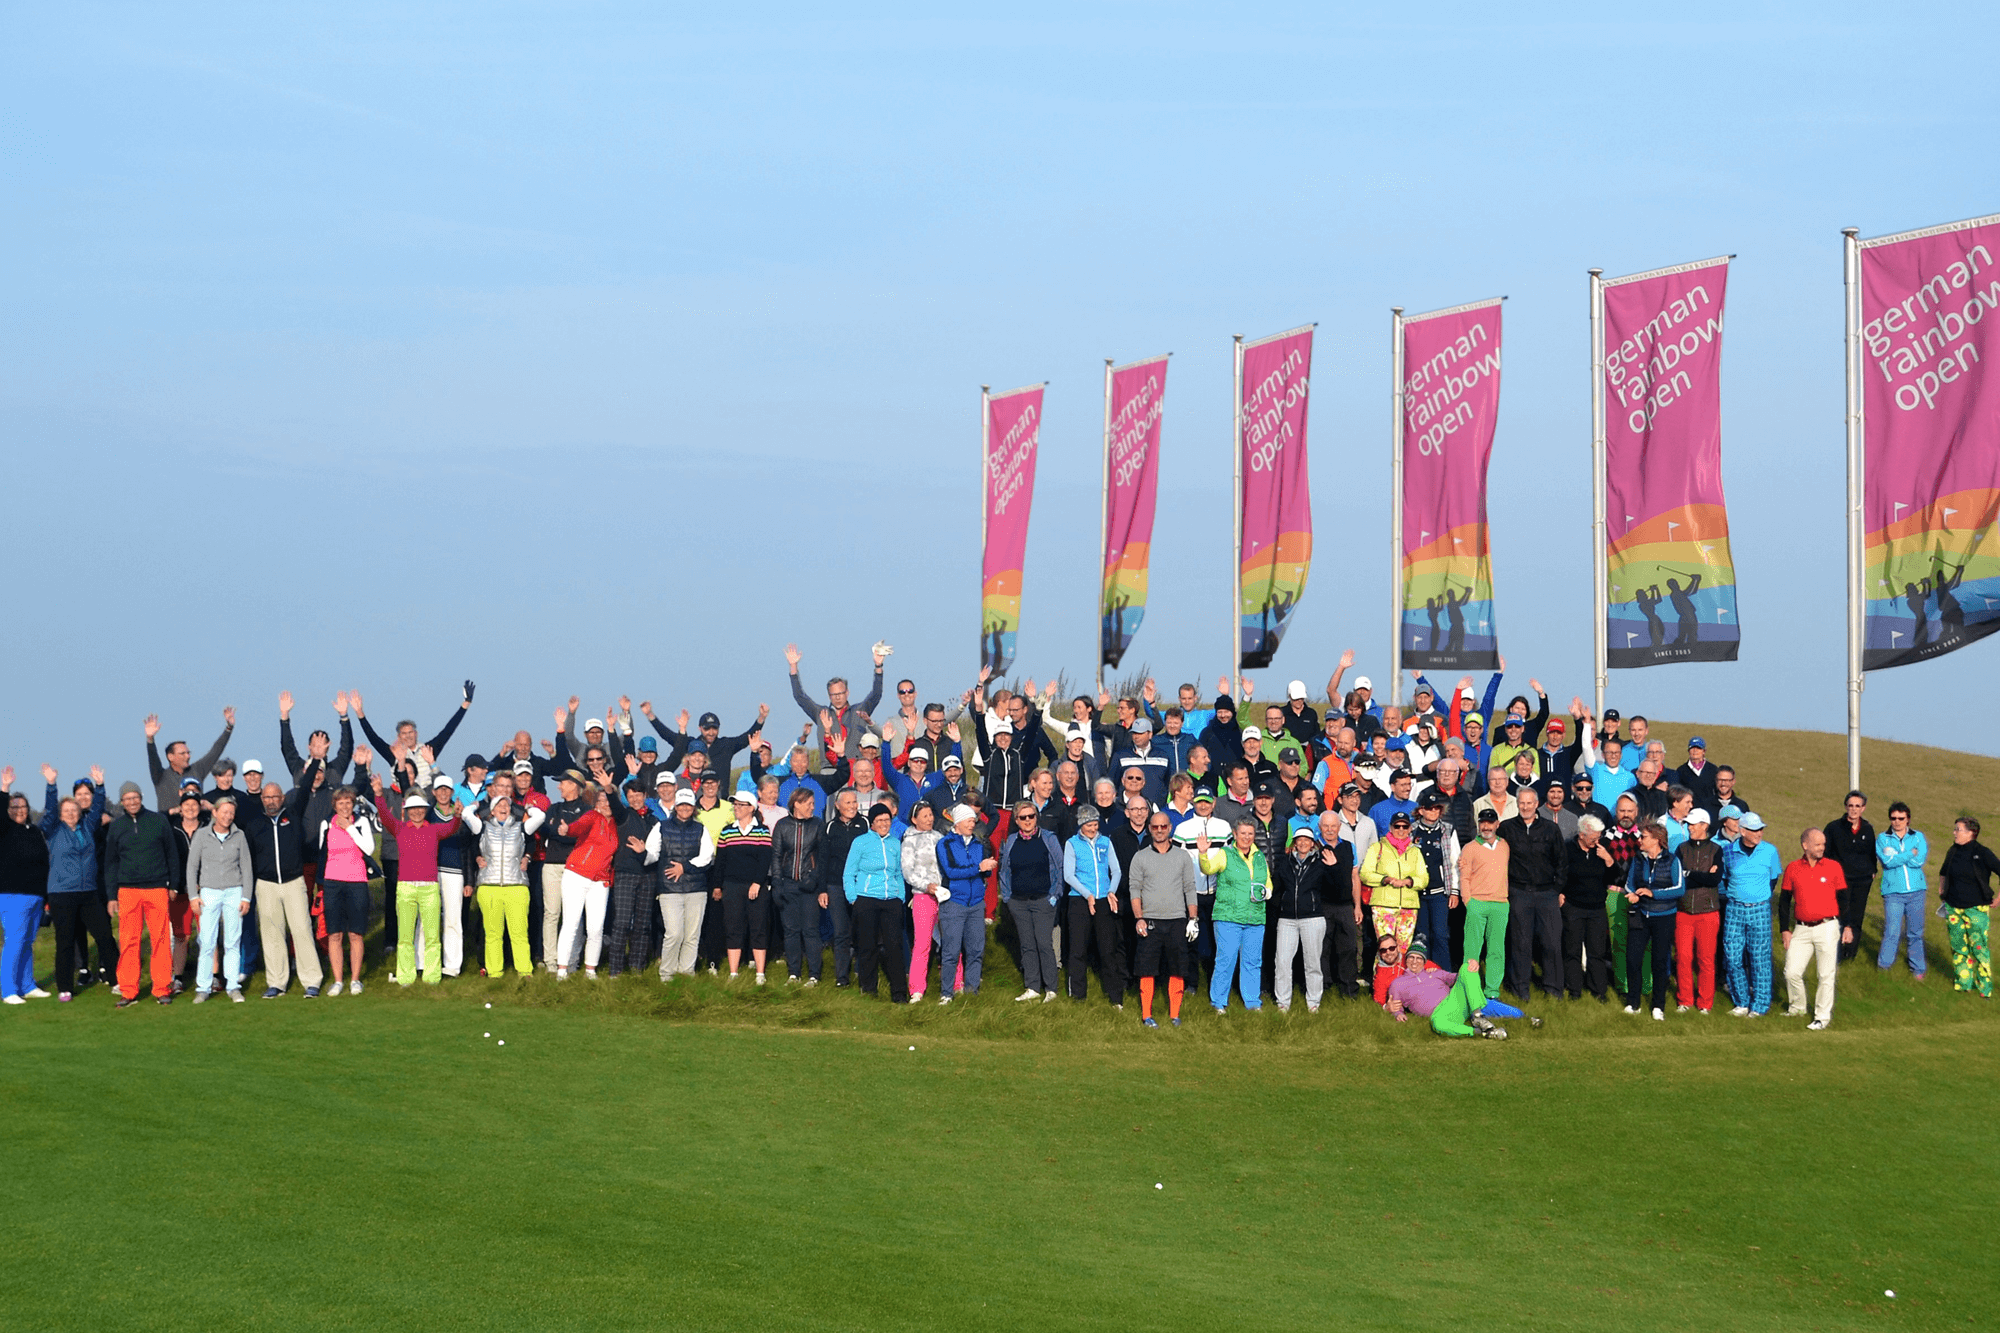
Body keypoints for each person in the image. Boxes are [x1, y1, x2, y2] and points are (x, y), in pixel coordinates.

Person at [38, 769, 118, 1002]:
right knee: (65, 941)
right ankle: (65, 987)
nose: (71, 813)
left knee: (104, 935)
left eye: (74, 810)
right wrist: (51, 785)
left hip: (89, 892)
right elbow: (50, 810)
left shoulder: (88, 826)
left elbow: (98, 805)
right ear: (61, 815)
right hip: (62, 893)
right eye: (67, 811)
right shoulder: (53, 830)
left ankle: (117, 979)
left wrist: (100, 785)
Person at [104, 780, 181, 1006]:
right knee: (129, 941)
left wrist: (174, 885)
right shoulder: (117, 826)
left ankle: (161, 988)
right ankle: (128, 991)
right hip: (128, 890)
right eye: (127, 799)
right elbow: (110, 863)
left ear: (141, 797)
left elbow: (172, 855)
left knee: (161, 940)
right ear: (121, 803)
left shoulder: (158, 821)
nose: (132, 802)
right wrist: (111, 896)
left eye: (135, 797)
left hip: (157, 888)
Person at [1127, 810, 1200, 1027]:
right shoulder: (1140, 857)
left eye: (1163, 827)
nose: (1159, 830)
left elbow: (1190, 888)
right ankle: (1146, 1015)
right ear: (1149, 829)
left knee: (1177, 968)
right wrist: (1138, 918)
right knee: (1146, 968)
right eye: (1155, 827)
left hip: (1177, 920)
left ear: (1170, 828)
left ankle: (1175, 1015)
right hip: (1149, 920)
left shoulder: (1182, 856)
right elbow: (1135, 890)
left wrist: (1193, 919)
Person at [181, 793, 255, 1002]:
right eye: (224, 812)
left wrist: (246, 897)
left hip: (234, 891)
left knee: (232, 941)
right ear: (214, 813)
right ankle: (203, 988)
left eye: (231, 813)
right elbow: (192, 867)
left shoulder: (239, 835)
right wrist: (193, 896)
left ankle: (233, 986)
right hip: (209, 892)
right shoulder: (202, 835)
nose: (228, 816)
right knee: (207, 941)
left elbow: (246, 868)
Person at [462, 789, 544, 977]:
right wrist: (476, 805)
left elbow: (541, 816)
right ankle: (494, 972)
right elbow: (466, 814)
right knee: (492, 934)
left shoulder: (521, 827)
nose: (504, 807)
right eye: (499, 805)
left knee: (519, 933)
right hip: (489, 886)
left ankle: (524, 970)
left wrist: (527, 808)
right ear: (492, 810)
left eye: (507, 804)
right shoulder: (481, 827)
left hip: (516, 886)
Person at [1498, 787, 1567, 1001]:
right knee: (1520, 943)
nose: (1525, 807)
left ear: (1536, 804)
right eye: (1522, 803)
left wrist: (1557, 889)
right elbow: (1494, 854)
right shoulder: (1507, 828)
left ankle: (1554, 989)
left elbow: (1562, 862)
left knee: (1551, 943)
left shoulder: (1550, 829)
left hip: (1547, 893)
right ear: (1517, 804)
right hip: (1519, 892)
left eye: (1529, 803)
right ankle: (1520, 990)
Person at [1379, 938, 1519, 1038]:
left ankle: (1479, 1016)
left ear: (1424, 961)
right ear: (1406, 960)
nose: (1415, 961)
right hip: (1441, 1013)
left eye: (1419, 958)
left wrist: (1472, 967)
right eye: (1411, 958)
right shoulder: (1398, 984)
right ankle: (1482, 1032)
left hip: (1455, 1000)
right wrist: (1398, 1014)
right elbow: (1395, 1006)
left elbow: (1457, 977)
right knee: (1438, 1024)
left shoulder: (1434, 972)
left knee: (1466, 967)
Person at [1781, 828, 1850, 1028]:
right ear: (1805, 845)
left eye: (1823, 844)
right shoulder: (1793, 868)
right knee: (1791, 972)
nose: (1822, 848)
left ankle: (1821, 1017)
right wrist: (1785, 929)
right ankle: (1798, 1007)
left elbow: (1844, 899)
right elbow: (1784, 901)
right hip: (1801, 929)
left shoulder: (1833, 867)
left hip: (1827, 926)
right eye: (1818, 844)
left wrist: (1847, 926)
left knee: (1825, 974)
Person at [843, 802, 908, 1001]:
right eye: (879, 820)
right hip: (866, 900)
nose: (883, 824)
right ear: (872, 823)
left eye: (887, 820)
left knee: (894, 947)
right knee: (867, 947)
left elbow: (898, 873)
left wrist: (901, 897)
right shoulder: (860, 842)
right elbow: (849, 873)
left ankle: (898, 993)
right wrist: (854, 899)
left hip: (891, 901)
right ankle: (869, 990)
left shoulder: (895, 843)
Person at [998, 801, 1063, 1002]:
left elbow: (1059, 868)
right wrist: (1008, 897)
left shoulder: (1049, 839)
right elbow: (1004, 871)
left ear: (1036, 817)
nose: (1027, 821)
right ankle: (1032, 987)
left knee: (1044, 943)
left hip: (1043, 900)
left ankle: (1051, 988)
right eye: (1022, 817)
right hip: (1018, 902)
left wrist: (1054, 895)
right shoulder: (1010, 841)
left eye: (1031, 816)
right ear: (1016, 820)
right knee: (1027, 945)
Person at [1720, 811, 1783, 1016]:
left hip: (1759, 909)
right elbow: (1726, 878)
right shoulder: (1728, 852)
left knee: (1760, 958)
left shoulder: (1769, 851)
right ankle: (1741, 1001)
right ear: (1742, 831)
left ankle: (1760, 1005)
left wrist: (1759, 896)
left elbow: (1773, 880)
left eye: (1761, 829)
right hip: (1735, 909)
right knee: (1732, 957)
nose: (1759, 833)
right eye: (1754, 830)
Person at [316, 785, 376, 996]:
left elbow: (368, 849)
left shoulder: (361, 822)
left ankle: (355, 980)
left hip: (357, 881)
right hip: (333, 883)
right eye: (340, 803)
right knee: (335, 934)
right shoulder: (326, 824)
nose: (344, 806)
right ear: (334, 805)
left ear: (353, 804)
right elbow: (323, 853)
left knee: (355, 933)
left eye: (348, 802)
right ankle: (338, 980)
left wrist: (350, 828)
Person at [1061, 806, 1125, 1006]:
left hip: (1103, 900)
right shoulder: (1072, 844)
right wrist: (1087, 894)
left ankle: (1116, 998)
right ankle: (1078, 997)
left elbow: (1116, 870)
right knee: (1078, 950)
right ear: (1081, 824)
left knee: (1108, 950)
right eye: (1089, 825)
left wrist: (1111, 891)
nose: (1093, 828)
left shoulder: (1106, 842)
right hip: (1079, 900)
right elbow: (1068, 875)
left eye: (1095, 824)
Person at [788, 641, 888, 767]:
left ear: (847, 693)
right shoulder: (821, 713)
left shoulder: (860, 711)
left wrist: (878, 666)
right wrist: (793, 667)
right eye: (834, 695)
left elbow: (876, 694)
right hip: (830, 768)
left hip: (855, 767)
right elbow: (800, 697)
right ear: (829, 696)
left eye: (841, 693)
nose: (838, 697)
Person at [1207, 818, 1271, 1013]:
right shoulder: (1225, 853)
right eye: (1243, 833)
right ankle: (1218, 1002)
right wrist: (1203, 853)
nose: (1246, 837)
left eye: (1250, 833)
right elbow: (1208, 868)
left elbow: (1267, 881)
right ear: (1235, 834)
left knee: (1252, 961)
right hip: (1228, 917)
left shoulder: (1259, 856)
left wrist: (1267, 891)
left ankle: (1252, 1002)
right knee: (1226, 960)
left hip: (1255, 918)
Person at [1621, 822, 1683, 1020]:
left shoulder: (1672, 860)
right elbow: (1629, 885)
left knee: (1659, 961)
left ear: (1656, 839)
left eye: (1644, 837)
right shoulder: (1637, 859)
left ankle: (1658, 1006)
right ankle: (1633, 1003)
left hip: (1664, 917)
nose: (1640, 840)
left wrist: (1651, 893)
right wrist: (1634, 896)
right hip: (1640, 915)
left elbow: (1679, 889)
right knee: (1632, 959)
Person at [712, 790, 774, 983]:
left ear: (751, 808)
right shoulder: (727, 831)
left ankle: (760, 973)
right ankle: (733, 973)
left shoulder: (762, 830)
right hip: (731, 886)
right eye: (735, 805)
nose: (736, 808)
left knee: (758, 928)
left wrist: (757, 883)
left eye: (741, 805)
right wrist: (717, 886)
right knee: (733, 928)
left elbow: (764, 861)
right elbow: (720, 862)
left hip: (756, 887)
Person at [935, 805, 994, 1003]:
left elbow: (983, 872)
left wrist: (988, 868)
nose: (973, 824)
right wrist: (979, 868)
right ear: (958, 823)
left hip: (976, 902)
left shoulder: (978, 844)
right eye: (969, 820)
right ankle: (946, 993)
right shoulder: (944, 844)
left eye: (973, 820)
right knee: (951, 951)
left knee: (976, 950)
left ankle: (972, 992)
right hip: (954, 902)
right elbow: (951, 872)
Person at [656, 789, 716, 980]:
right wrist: (642, 852)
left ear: (693, 808)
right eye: (681, 805)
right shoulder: (661, 826)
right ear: (675, 807)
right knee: (673, 934)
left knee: (692, 934)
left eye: (688, 805)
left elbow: (707, 856)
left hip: (696, 888)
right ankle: (667, 973)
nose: (684, 808)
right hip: (669, 888)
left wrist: (685, 867)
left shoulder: (701, 829)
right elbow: (652, 853)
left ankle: (686, 971)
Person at [1271, 817, 1329, 1012]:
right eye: (1299, 839)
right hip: (1287, 918)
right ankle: (1283, 1003)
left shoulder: (1320, 863)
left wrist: (1334, 867)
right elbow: (1277, 889)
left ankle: (1313, 1003)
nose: (1303, 843)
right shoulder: (1284, 862)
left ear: (1313, 843)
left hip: (1312, 918)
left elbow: (1335, 887)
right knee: (1282, 962)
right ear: (1294, 842)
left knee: (1312, 963)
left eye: (1307, 840)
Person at [1937, 817, 1999, 999]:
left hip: (1976, 909)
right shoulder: (1953, 850)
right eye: (1955, 829)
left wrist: (1999, 898)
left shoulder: (1982, 852)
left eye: (1958, 829)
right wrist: (1942, 889)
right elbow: (1943, 872)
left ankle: (1985, 987)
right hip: (1954, 908)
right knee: (1958, 947)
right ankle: (1963, 983)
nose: (1954, 832)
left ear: (1971, 833)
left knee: (1979, 948)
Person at [0, 783, 51, 1003]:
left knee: (27, 941)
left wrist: (50, 786)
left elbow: (44, 864)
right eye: (14, 806)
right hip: (12, 895)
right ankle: (9, 990)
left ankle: (27, 985)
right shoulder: (5, 829)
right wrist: (4, 789)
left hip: (36, 896)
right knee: (14, 941)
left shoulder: (36, 831)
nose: (19, 810)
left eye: (23, 806)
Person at [769, 787, 824, 985]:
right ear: (797, 804)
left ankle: (814, 975)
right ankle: (794, 973)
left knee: (810, 931)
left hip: (809, 886)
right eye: (809, 803)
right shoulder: (782, 825)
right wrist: (776, 883)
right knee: (791, 931)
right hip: (788, 884)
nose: (813, 807)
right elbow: (775, 856)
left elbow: (821, 856)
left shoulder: (817, 824)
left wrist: (815, 878)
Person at [1360, 810, 1427, 965]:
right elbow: (1365, 873)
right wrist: (1386, 879)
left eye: (1405, 826)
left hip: (1408, 906)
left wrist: (1409, 882)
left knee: (1403, 949)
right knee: (1385, 949)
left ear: (1410, 828)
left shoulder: (1415, 851)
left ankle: (1400, 986)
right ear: (1391, 828)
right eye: (1397, 826)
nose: (1401, 830)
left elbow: (1424, 878)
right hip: (1383, 905)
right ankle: (1381, 985)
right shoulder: (1377, 848)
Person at [1674, 810, 1724, 1013]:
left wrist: (1691, 874)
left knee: (1706, 959)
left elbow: (1714, 880)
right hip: (1684, 911)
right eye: (1688, 824)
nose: (1690, 827)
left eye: (1694, 824)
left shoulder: (1716, 849)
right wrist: (1700, 875)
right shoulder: (1681, 848)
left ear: (1705, 825)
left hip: (1708, 911)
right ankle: (1685, 1000)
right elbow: (1678, 878)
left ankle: (1705, 1003)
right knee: (1683, 958)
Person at [1874, 802, 1930, 980]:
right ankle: (1884, 966)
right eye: (1893, 818)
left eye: (1901, 818)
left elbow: (1918, 862)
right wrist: (1909, 853)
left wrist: (1901, 856)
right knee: (1892, 930)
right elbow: (1888, 862)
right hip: (1893, 893)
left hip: (1917, 891)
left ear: (1908, 819)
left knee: (1915, 932)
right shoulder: (1883, 838)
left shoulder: (1918, 836)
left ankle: (1918, 968)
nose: (1897, 822)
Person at [1562, 814, 1614, 1003]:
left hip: (1597, 909)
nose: (1597, 840)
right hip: (1574, 907)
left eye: (1599, 837)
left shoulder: (1602, 850)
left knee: (1597, 951)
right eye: (1594, 837)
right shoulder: (1568, 849)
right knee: (1572, 950)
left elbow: (1615, 877)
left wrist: (1608, 860)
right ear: (1582, 834)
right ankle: (1574, 989)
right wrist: (1561, 893)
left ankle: (1599, 990)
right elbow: (1560, 873)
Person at [144, 708, 236, 812]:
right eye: (182, 753)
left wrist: (229, 728)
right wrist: (150, 739)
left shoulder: (197, 770)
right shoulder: (160, 776)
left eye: (188, 753)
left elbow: (215, 752)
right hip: (169, 825)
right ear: (170, 757)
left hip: (196, 825)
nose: (187, 756)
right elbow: (153, 759)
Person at [900, 800, 946, 1003]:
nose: (930, 819)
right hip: (922, 896)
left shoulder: (939, 838)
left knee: (950, 941)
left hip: (944, 896)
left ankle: (956, 983)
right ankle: (917, 989)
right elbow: (907, 871)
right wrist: (925, 886)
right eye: (925, 816)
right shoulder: (909, 840)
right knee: (922, 943)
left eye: (931, 815)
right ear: (914, 819)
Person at [1823, 791, 1877, 963]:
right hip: (1840, 881)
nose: (1854, 809)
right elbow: (1825, 854)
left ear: (1863, 808)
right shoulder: (1833, 828)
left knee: (1856, 917)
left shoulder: (1868, 829)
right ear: (1846, 807)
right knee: (1838, 916)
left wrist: (1872, 871)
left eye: (1857, 806)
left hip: (1862, 880)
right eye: (1851, 805)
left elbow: (1871, 853)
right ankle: (1836, 954)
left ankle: (1850, 954)